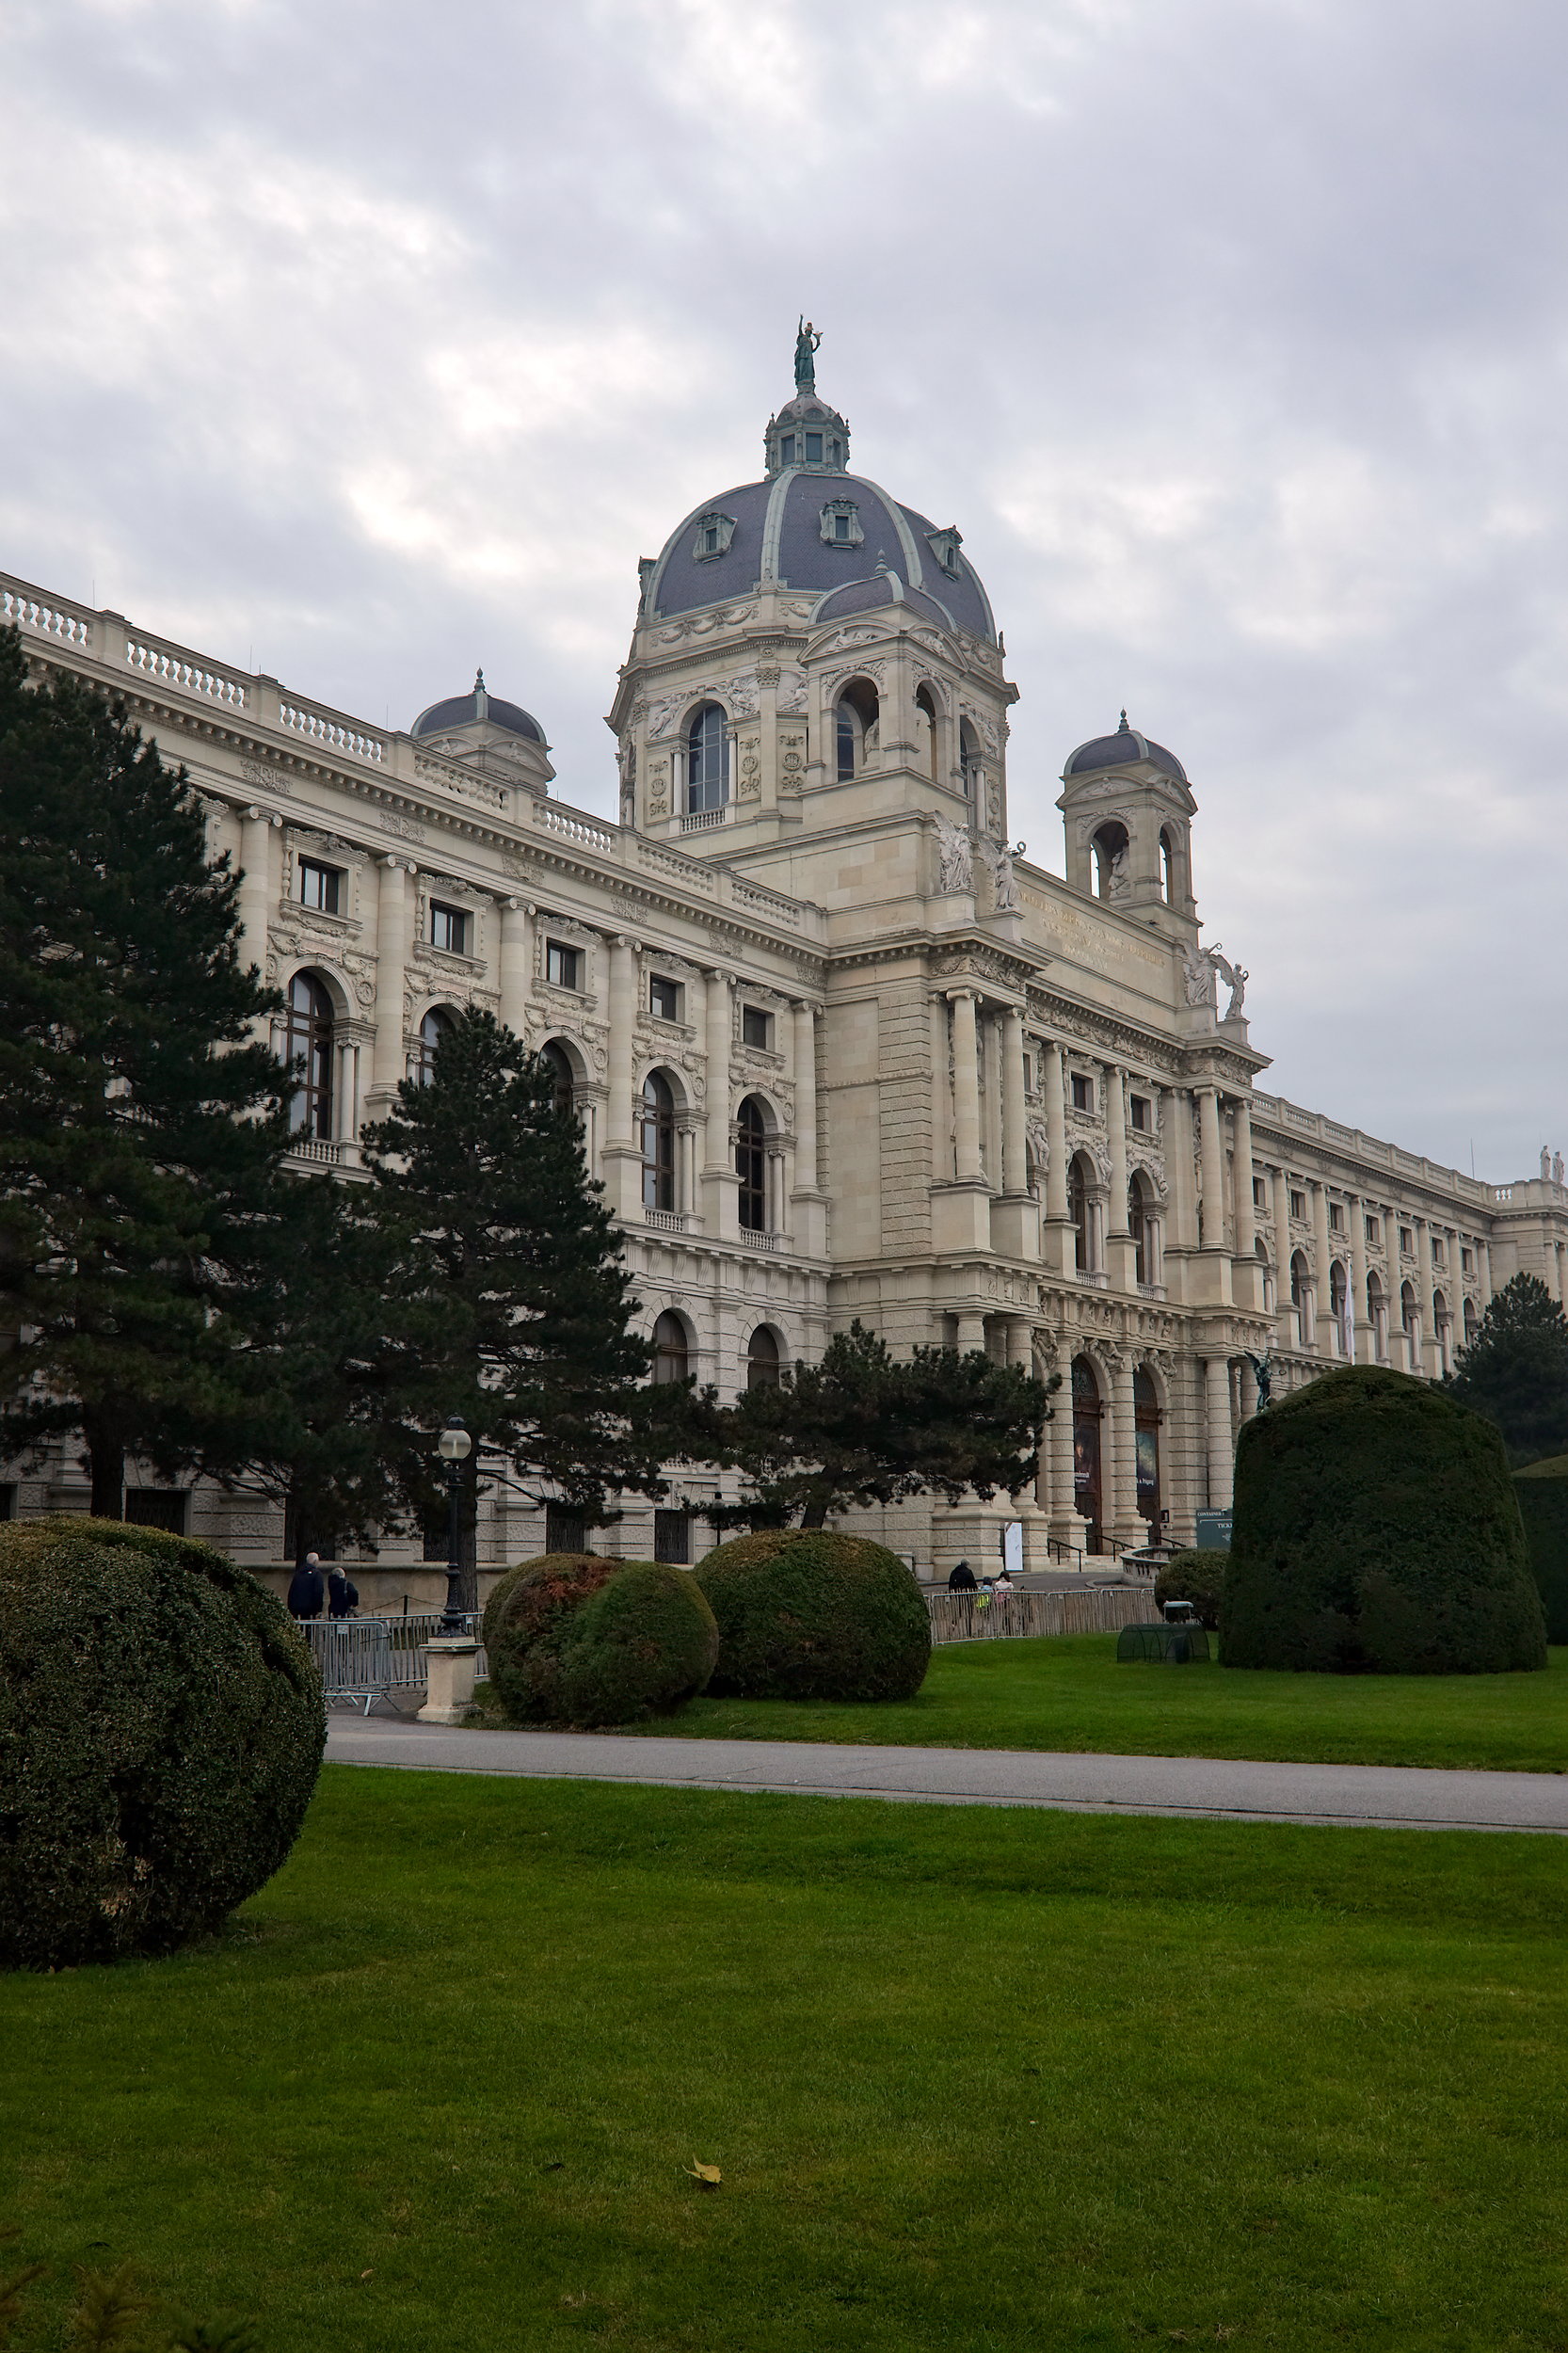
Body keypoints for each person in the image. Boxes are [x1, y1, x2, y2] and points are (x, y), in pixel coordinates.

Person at [287, 1551, 325, 1620]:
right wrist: (319, 1609)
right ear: (315, 1561)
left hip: (296, 1609)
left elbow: (292, 1591)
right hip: (310, 1610)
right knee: (309, 1629)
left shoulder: (298, 1573)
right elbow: (318, 1592)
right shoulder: (317, 1574)